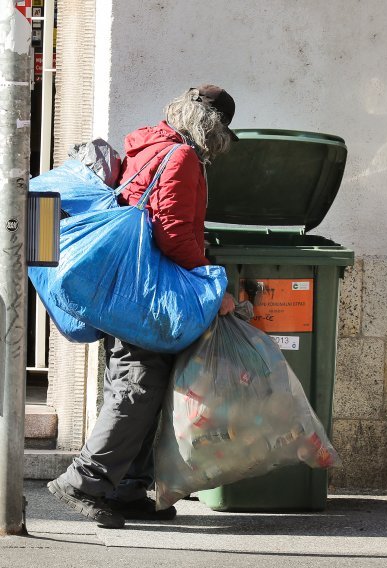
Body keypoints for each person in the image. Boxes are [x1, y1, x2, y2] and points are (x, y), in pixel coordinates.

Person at [47, 85, 239, 529]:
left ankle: (127, 488)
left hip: (124, 284)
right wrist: (209, 283)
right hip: (147, 291)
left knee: (139, 384)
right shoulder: (183, 157)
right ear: (212, 127)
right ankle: (84, 482)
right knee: (137, 384)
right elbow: (173, 231)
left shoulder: (147, 144)